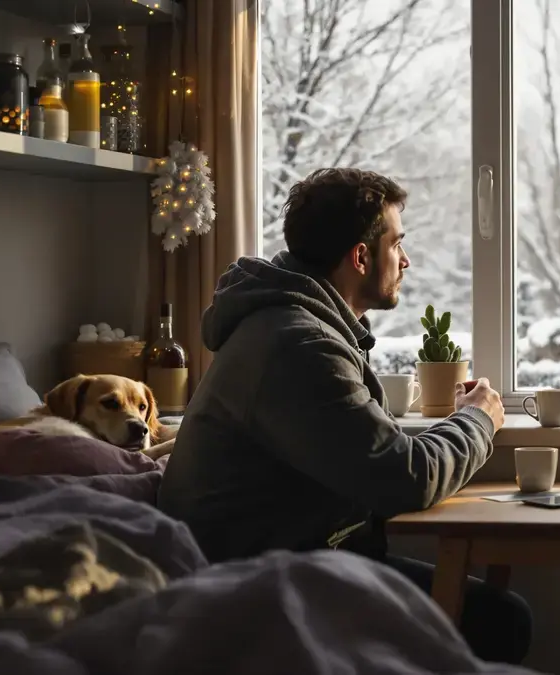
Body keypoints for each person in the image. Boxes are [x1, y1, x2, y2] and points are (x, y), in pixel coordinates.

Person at [157, 168, 531, 664]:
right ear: (360, 256)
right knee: (500, 621)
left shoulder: (299, 328)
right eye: (397, 245)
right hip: (264, 590)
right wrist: (479, 418)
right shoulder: (299, 345)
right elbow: (405, 476)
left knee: (493, 612)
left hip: (290, 563)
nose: (407, 260)